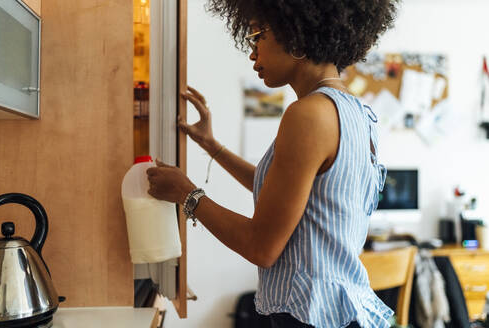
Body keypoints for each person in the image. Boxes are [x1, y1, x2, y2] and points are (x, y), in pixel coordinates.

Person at [146, 0, 399, 327]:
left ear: (294, 34)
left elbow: (261, 247)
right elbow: (286, 196)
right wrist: (211, 145)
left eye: (257, 35)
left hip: (310, 317)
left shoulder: (308, 115)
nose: (252, 52)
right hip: (340, 313)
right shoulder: (357, 114)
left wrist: (187, 194)